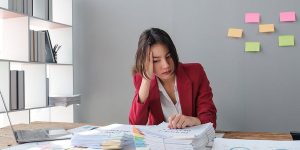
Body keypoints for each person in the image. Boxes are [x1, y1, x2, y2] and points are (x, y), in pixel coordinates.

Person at [129, 28, 217, 129]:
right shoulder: (142, 80)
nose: (166, 65)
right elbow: (135, 124)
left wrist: (193, 120)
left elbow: (211, 120)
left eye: (168, 56)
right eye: (156, 60)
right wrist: (146, 80)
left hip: (192, 142)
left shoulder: (196, 72)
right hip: (160, 142)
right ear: (146, 62)